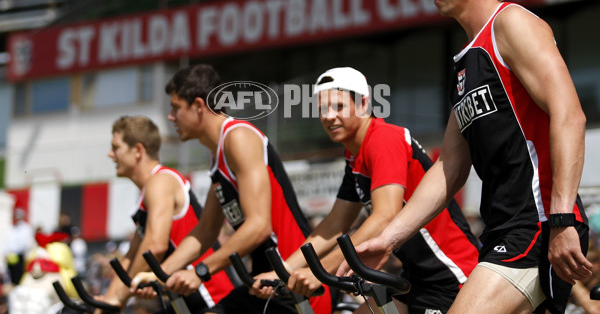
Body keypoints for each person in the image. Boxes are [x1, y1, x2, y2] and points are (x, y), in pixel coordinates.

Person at [338, 0, 592, 314]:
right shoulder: (466, 60)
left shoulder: (511, 24)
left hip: (538, 224)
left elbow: (570, 114)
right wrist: (389, 239)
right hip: (502, 228)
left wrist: (561, 219)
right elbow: (449, 168)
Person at [252, 67, 480, 314]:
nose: (328, 116)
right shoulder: (354, 155)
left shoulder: (383, 139)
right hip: (416, 278)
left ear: (363, 103)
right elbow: (335, 224)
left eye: (338, 107)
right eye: (322, 109)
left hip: (452, 274)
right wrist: (283, 270)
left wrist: (321, 272)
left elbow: (385, 216)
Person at [131, 64, 332, 314]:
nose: (171, 117)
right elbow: (206, 231)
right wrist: (161, 274)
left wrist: (200, 271)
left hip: (295, 280)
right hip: (262, 281)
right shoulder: (218, 154)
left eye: (175, 108)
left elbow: (259, 226)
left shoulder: (238, 138)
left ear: (197, 106)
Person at [95, 115, 235, 312]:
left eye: (116, 147)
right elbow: (131, 257)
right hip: (189, 302)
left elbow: (154, 247)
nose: (110, 154)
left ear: (138, 150)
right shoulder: (147, 194)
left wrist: (120, 296)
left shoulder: (161, 181)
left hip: (214, 301)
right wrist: (106, 302)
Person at [4, 207, 35, 286]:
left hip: (20, 256)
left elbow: (26, 243)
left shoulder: (26, 228)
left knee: (18, 276)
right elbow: (7, 241)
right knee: (10, 276)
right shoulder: (11, 227)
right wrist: (6, 253)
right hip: (10, 256)